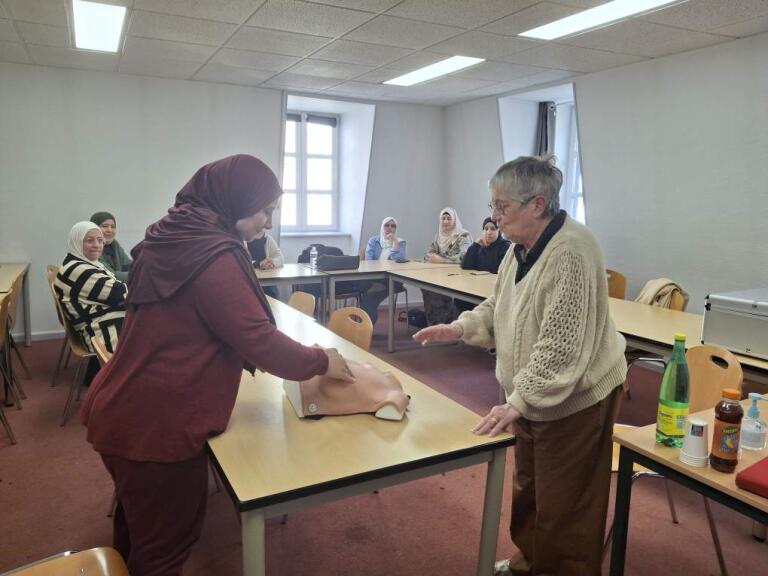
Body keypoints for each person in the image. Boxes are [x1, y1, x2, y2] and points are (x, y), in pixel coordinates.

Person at [79, 155, 354, 576]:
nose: (267, 222)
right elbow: (259, 340)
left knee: (137, 529)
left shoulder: (170, 237)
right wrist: (322, 360)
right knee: (165, 547)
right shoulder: (214, 254)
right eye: (264, 210)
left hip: (121, 407)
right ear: (236, 200)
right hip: (156, 426)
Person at [414, 156, 627, 576]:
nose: (493, 216)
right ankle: (528, 564)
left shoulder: (573, 250)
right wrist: (460, 328)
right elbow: (500, 306)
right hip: (533, 395)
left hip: (577, 399)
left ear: (537, 204)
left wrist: (521, 398)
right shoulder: (519, 248)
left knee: (565, 505)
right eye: (493, 205)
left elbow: (562, 345)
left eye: (502, 207)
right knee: (530, 491)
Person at [54, 221, 127, 355]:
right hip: (101, 333)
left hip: (104, 322)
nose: (96, 245)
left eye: (100, 241)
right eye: (89, 241)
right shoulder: (78, 270)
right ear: (77, 242)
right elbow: (119, 293)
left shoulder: (81, 262)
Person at [422, 207, 471, 325]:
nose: (445, 222)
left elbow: (464, 257)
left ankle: (448, 322)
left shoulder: (463, 235)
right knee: (426, 285)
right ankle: (434, 322)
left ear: (454, 220)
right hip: (440, 274)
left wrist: (442, 260)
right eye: (443, 218)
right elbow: (429, 254)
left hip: (458, 275)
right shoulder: (438, 236)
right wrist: (432, 258)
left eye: (449, 218)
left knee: (437, 290)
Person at [456, 217, 511, 314]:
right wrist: (475, 245)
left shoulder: (505, 247)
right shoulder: (480, 247)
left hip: (494, 290)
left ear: (499, 230)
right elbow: (465, 265)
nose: (489, 232)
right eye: (486, 229)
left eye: (493, 229)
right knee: (459, 299)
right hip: (477, 287)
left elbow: (501, 272)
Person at [360, 216, 407, 325]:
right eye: (387, 225)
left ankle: (366, 327)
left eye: (393, 226)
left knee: (369, 297)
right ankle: (365, 325)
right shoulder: (374, 240)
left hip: (392, 279)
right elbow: (368, 260)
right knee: (365, 293)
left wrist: (394, 242)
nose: (390, 228)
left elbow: (399, 259)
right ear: (382, 227)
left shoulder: (401, 242)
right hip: (374, 277)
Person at [91, 211, 132, 282]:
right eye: (104, 226)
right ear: (94, 228)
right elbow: (110, 275)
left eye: (113, 227)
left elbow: (128, 266)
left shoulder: (114, 245)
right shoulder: (91, 248)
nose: (109, 230)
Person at [248, 231, 284, 298]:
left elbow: (280, 258)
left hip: (267, 281)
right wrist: (259, 264)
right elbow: (242, 261)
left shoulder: (268, 239)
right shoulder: (242, 240)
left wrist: (272, 262)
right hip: (249, 281)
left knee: (273, 293)